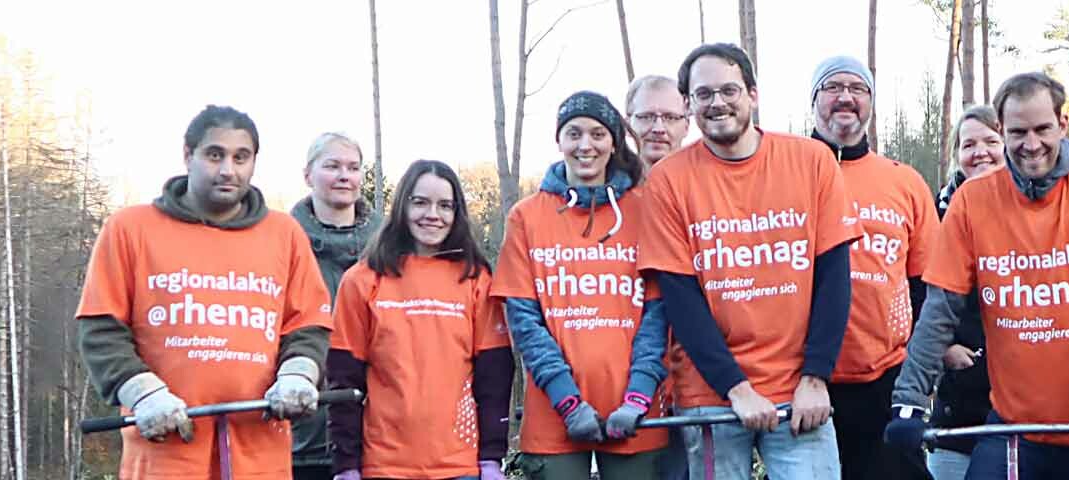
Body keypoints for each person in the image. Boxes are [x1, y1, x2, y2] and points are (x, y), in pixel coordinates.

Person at [884, 71, 1069, 479]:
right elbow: (941, 307)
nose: (1032, 145)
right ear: (1001, 130)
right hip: (1015, 424)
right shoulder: (973, 201)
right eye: (1018, 132)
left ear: (1063, 124)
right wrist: (908, 400)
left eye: (1043, 129)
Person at [635, 43, 859, 480]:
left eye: (729, 90)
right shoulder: (668, 181)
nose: (717, 102)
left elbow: (834, 276)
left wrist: (816, 376)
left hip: (799, 393)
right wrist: (734, 388)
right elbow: (681, 298)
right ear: (689, 105)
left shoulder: (812, 161)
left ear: (753, 95)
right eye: (703, 94)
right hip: (711, 395)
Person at [76, 105, 332, 479]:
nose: (228, 169)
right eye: (215, 155)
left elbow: (308, 324)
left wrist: (298, 374)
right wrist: (142, 393)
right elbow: (101, 329)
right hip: (165, 453)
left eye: (241, 157)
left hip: (260, 455)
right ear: (187, 155)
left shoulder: (284, 234)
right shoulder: (131, 229)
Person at [494, 91, 670, 479]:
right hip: (553, 421)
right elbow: (524, 322)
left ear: (612, 142)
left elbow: (658, 314)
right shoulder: (527, 217)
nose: (585, 145)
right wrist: (567, 402)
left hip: (637, 417)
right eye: (574, 134)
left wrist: (638, 397)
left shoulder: (646, 210)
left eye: (597, 134)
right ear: (559, 141)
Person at [326, 160, 513, 480]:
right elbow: (345, 378)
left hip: (459, 465)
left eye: (445, 206)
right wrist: (347, 465)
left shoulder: (475, 278)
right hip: (384, 465)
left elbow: (494, 377)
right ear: (402, 206)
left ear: (457, 213)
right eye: (420, 202)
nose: (432, 215)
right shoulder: (363, 279)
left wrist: (491, 459)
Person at [806, 56, 938, 480]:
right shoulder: (786, 172)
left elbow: (927, 284)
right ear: (813, 101)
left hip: (885, 375)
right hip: (801, 376)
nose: (845, 97)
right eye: (832, 87)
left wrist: (918, 366)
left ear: (871, 103)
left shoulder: (904, 181)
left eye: (858, 89)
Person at [288, 132, 383, 480]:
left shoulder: (390, 245)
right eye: (332, 166)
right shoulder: (282, 242)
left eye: (353, 167)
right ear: (308, 175)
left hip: (378, 436)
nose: (345, 175)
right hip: (300, 434)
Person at [925, 103, 1005, 480]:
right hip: (958, 395)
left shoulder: (1038, 214)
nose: (981, 153)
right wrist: (942, 348)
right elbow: (917, 292)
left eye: (991, 140)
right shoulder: (936, 215)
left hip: (1023, 394)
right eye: (969, 144)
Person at [627, 75, 692, 166]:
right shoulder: (607, 179)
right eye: (646, 117)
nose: (658, 129)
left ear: (687, 126)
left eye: (670, 118)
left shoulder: (708, 179)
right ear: (627, 126)